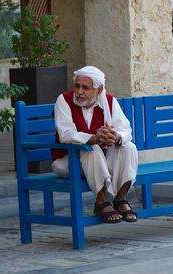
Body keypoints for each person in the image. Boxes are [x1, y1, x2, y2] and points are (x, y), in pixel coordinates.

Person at [51, 66, 138, 223]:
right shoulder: (63, 100)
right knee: (90, 148)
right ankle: (101, 202)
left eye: (85, 87)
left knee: (129, 147)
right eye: (77, 86)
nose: (79, 91)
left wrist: (116, 137)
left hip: (100, 161)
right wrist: (94, 138)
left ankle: (120, 199)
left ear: (99, 89)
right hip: (68, 161)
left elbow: (126, 130)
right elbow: (66, 135)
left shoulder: (110, 101)